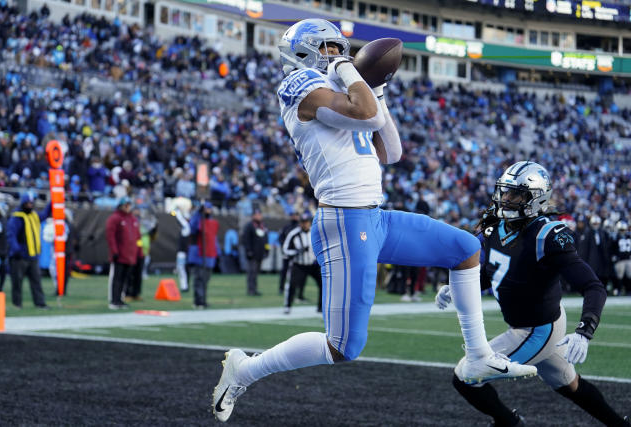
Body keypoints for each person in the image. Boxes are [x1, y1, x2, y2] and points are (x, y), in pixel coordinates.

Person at [212, 19, 536, 423]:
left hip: (373, 216)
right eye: (330, 48)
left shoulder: (338, 90)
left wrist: (377, 85)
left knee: (466, 250)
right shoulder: (297, 84)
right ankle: (244, 369)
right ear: (301, 52)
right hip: (345, 222)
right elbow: (364, 112)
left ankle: (478, 356)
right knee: (343, 346)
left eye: (341, 49)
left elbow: (393, 150)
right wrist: (353, 72)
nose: (339, 55)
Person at [436, 161, 628, 427]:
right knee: (570, 385)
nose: (506, 199)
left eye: (515, 194)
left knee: (467, 375)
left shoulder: (547, 235)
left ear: (535, 198)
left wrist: (585, 331)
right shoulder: (493, 224)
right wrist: (459, 287)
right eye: (504, 192)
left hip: (537, 329)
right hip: (536, 324)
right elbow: (495, 272)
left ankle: (509, 422)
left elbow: (593, 286)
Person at [6, 192, 50, 309]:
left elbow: (45, 214)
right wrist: (17, 250)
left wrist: (53, 202)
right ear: (23, 203)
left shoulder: (34, 215)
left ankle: (40, 303)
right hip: (20, 256)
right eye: (28, 203)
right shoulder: (17, 217)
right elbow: (11, 235)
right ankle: (17, 304)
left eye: (32, 203)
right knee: (17, 282)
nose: (30, 205)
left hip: (33, 256)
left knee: (36, 281)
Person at [282, 211, 322, 314]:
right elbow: (285, 249)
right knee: (292, 285)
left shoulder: (315, 232)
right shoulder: (294, 234)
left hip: (313, 264)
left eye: (306, 222)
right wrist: (297, 251)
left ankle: (321, 307)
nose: (304, 224)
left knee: (323, 284)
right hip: (299, 264)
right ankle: (288, 306)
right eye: (302, 222)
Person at [105, 197, 141, 309]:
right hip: (120, 254)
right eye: (126, 205)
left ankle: (120, 299)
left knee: (125, 279)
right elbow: (110, 236)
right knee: (117, 278)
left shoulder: (133, 219)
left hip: (130, 255)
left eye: (129, 205)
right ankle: (114, 300)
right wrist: (114, 251)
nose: (128, 207)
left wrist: (139, 252)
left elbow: (137, 237)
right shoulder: (115, 218)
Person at [189, 201, 219, 308]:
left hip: (209, 255)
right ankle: (198, 300)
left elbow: (214, 238)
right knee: (199, 278)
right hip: (199, 255)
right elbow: (192, 227)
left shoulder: (212, 223)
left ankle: (203, 299)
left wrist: (217, 252)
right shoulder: (198, 221)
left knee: (206, 279)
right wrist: (198, 213)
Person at [241, 207, 268, 296]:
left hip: (260, 254)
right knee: (251, 273)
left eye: (260, 215)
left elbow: (265, 239)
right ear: (253, 216)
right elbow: (246, 239)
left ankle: (255, 289)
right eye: (257, 215)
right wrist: (248, 251)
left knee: (256, 273)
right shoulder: (249, 226)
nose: (259, 216)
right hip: (252, 254)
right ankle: (251, 290)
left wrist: (267, 250)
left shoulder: (263, 226)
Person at [278, 211, 299, 295]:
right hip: (287, 253)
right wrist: (284, 248)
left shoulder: (299, 227)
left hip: (297, 253)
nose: (294, 217)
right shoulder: (286, 227)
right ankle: (281, 288)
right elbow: (281, 238)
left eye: (296, 215)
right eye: (293, 215)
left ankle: (295, 288)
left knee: (296, 272)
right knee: (284, 271)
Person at [612, 220, 631, 296]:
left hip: (628, 259)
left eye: (623, 229)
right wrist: (614, 256)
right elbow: (612, 248)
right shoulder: (615, 237)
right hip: (620, 260)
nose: (622, 231)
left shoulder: (628, 236)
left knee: (629, 276)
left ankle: (629, 290)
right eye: (621, 230)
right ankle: (618, 290)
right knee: (619, 276)